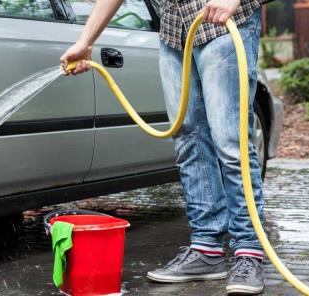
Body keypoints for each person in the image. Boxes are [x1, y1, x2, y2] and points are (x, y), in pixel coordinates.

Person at [60, 0, 266, 294]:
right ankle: (206, 249)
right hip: (174, 32)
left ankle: (249, 252)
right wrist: (85, 41)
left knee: (231, 144)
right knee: (188, 141)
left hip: (224, 25)